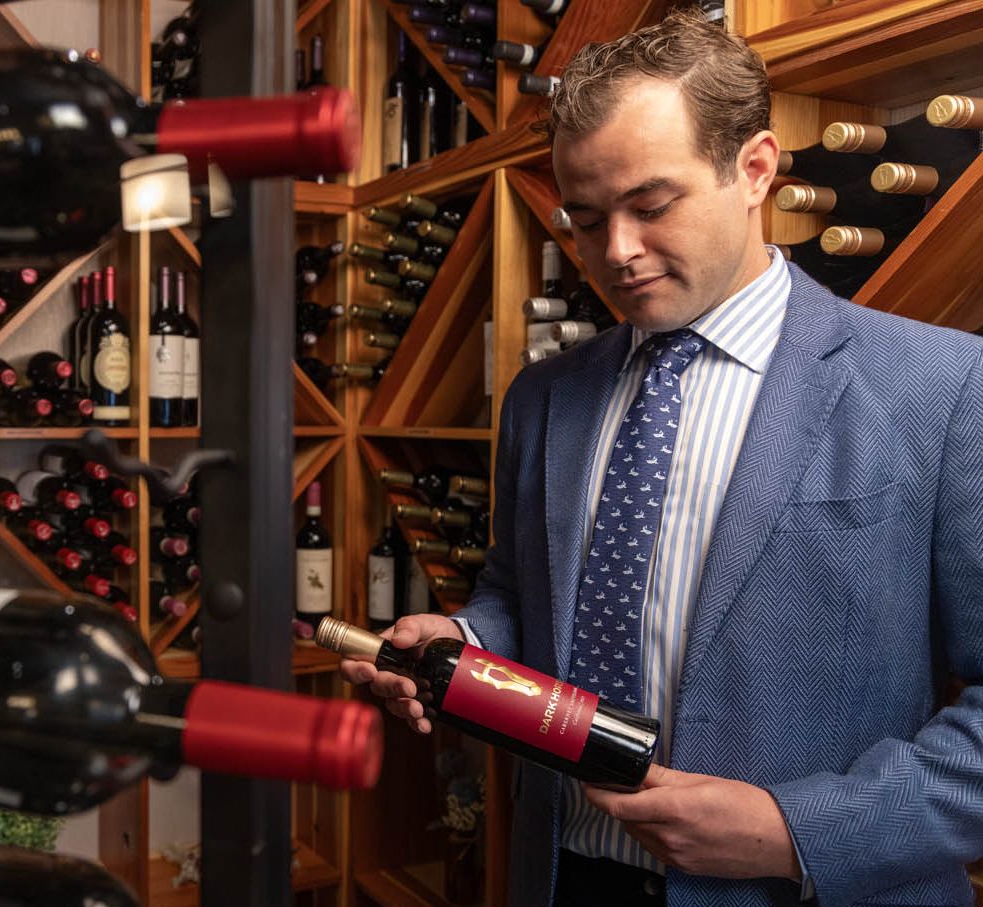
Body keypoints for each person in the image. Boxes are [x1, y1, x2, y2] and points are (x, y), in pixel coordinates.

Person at [339, 7, 983, 907]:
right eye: (588, 217)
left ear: (754, 169)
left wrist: (797, 831)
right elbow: (521, 600)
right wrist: (467, 641)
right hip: (567, 879)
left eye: (651, 205)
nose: (616, 253)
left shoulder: (944, 387)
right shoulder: (544, 398)